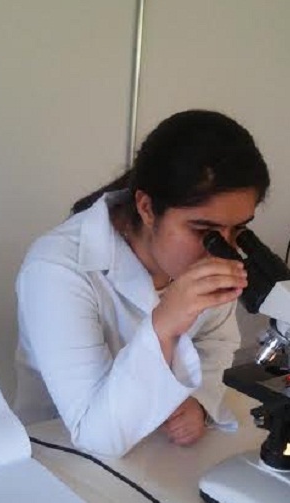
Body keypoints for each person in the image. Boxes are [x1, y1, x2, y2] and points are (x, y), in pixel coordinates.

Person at [14, 109, 270, 457]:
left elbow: (216, 341)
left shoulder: (206, 256)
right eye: (203, 231)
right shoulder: (56, 268)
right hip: (63, 455)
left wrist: (199, 400)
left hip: (160, 451)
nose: (221, 248)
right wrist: (164, 325)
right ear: (147, 208)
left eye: (238, 229)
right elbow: (95, 434)